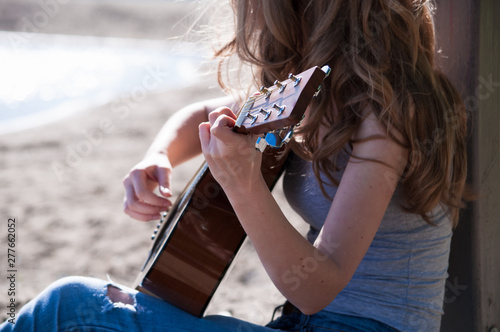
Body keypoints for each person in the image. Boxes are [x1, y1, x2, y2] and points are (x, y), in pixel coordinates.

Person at [1, 0, 468, 331]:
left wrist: (244, 183)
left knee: (71, 309)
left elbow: (317, 287)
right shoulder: (318, 96)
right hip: (298, 323)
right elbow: (198, 116)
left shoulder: (391, 114)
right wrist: (157, 157)